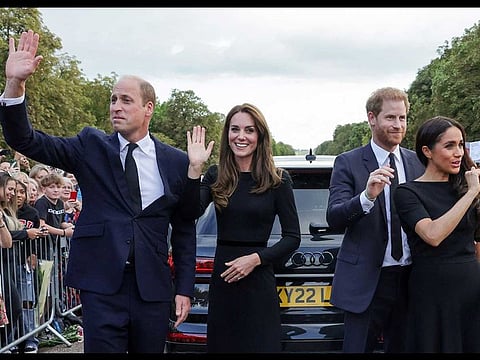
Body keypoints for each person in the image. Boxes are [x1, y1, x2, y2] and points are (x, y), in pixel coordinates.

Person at [0, 29, 204, 353]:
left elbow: (183, 230)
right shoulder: (90, 146)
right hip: (101, 286)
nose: (116, 107)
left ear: (148, 108)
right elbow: (26, 140)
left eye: (126, 100)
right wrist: (15, 85)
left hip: (152, 289)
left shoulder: (176, 162)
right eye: (113, 99)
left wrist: (184, 289)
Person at [187, 104, 301, 352]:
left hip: (259, 281)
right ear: (227, 133)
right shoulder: (216, 175)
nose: (241, 136)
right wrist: (195, 168)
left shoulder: (277, 180)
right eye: (235, 129)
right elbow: (190, 212)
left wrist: (255, 259)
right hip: (224, 281)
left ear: (259, 135)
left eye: (249, 130)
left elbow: (292, 237)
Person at [326, 87, 424, 353]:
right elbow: (334, 217)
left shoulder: (418, 163)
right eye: (390, 118)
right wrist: (366, 197)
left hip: (411, 282)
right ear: (372, 118)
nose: (398, 125)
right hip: (367, 283)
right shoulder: (348, 162)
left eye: (403, 118)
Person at [394, 116, 480, 352]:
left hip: (471, 288)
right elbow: (433, 235)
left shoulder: (466, 188)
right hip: (432, 293)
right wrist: (471, 194)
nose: (458, 153)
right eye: (449, 145)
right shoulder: (407, 192)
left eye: (461, 144)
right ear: (427, 151)